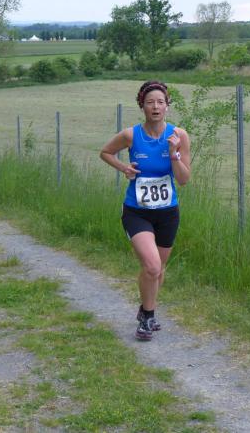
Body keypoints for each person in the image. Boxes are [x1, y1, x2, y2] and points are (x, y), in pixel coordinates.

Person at [100, 81, 191, 341]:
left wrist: (173, 154)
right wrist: (124, 168)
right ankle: (148, 318)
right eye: (150, 102)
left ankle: (145, 309)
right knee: (151, 266)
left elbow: (183, 180)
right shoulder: (131, 135)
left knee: (158, 270)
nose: (155, 107)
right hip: (136, 211)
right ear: (142, 106)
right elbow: (105, 152)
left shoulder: (179, 136)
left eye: (160, 102)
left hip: (167, 213)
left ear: (167, 106)